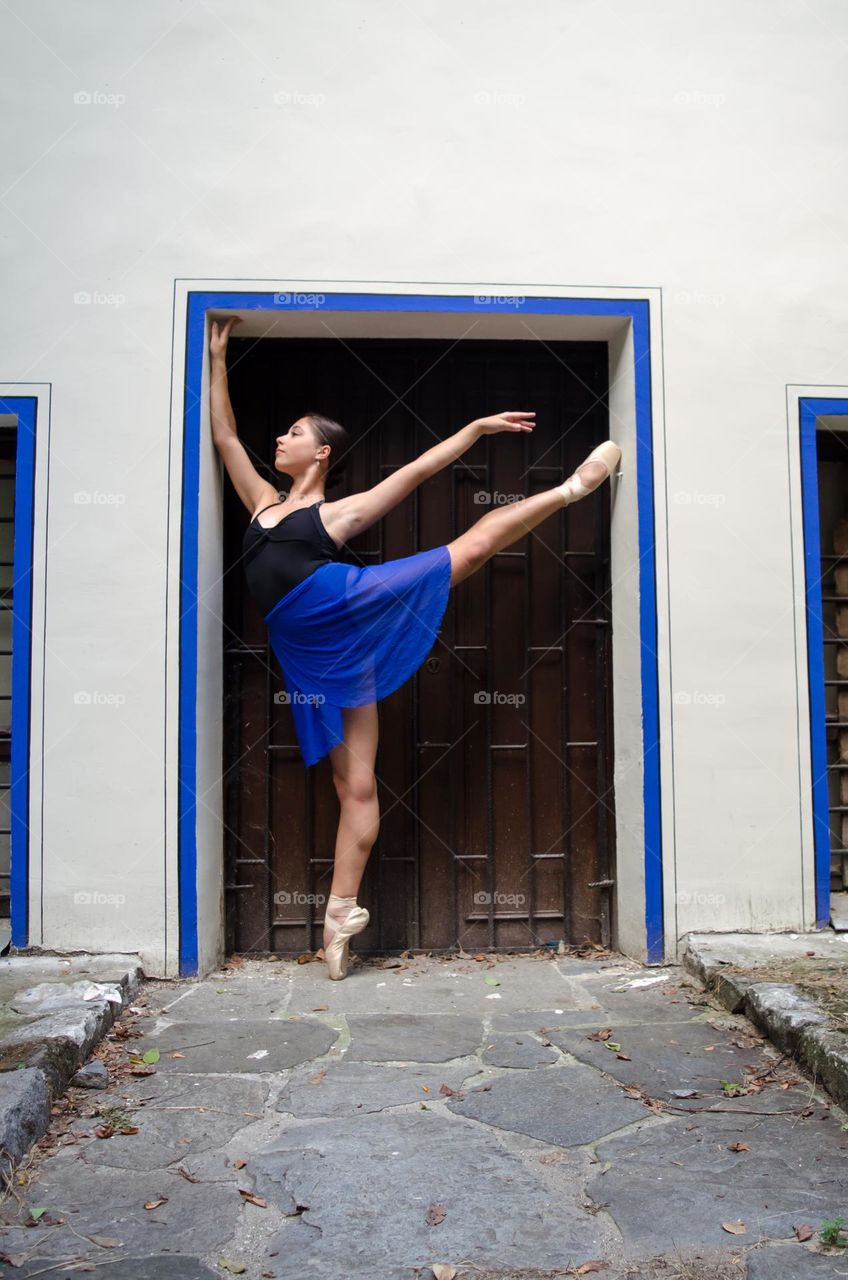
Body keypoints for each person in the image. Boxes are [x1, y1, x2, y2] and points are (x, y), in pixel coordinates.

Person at [209, 315, 621, 980]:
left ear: (320, 454)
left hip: (349, 603)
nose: (278, 438)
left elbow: (421, 468)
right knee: (356, 785)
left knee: (471, 549)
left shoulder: (337, 514)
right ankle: (342, 914)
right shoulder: (259, 501)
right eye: (282, 431)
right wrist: (215, 354)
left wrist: (479, 429)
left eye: (294, 433)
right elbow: (224, 434)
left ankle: (572, 488)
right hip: (315, 656)